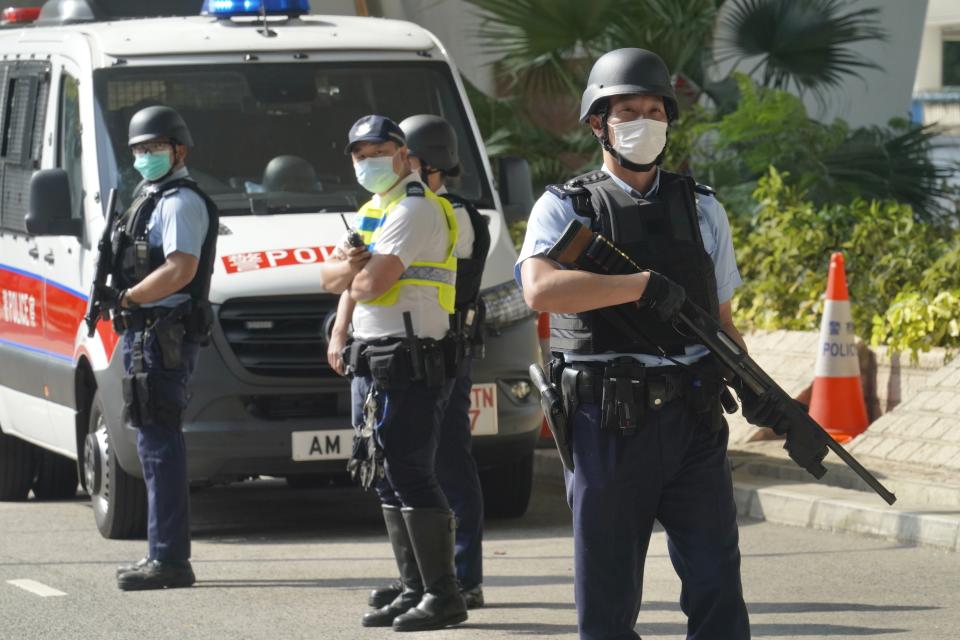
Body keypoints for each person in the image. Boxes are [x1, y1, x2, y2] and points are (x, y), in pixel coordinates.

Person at [516, 48, 755, 639]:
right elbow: (541, 290)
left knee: (716, 579)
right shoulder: (565, 207)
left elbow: (723, 321)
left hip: (694, 415)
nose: (644, 122)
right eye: (628, 111)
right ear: (599, 122)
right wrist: (639, 286)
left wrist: (759, 389)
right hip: (607, 417)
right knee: (609, 591)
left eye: (655, 110)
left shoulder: (702, 208)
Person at [320, 115, 468, 632]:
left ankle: (444, 594)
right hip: (373, 357)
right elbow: (328, 280)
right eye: (359, 155)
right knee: (386, 473)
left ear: (404, 155)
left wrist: (351, 270)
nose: (368, 162)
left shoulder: (414, 210)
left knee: (411, 471)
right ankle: (414, 589)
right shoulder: (371, 211)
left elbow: (366, 283)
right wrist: (339, 331)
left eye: (378, 151)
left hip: (411, 356)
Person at [347, 114, 490, 611]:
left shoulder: (446, 212)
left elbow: (375, 279)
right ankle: (424, 582)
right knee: (397, 468)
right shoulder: (387, 209)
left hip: (434, 352)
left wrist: (356, 278)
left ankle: (458, 578)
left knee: (442, 463)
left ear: (418, 159)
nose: (381, 165)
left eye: (389, 154)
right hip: (394, 351)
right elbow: (352, 277)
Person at [107, 106, 218, 591]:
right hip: (146, 331)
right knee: (153, 441)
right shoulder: (150, 196)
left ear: (179, 151)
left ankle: (170, 558)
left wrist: (129, 297)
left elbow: (180, 269)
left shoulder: (179, 202)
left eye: (154, 148)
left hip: (163, 331)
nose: (145, 156)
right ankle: (162, 553)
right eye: (138, 150)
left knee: (160, 444)